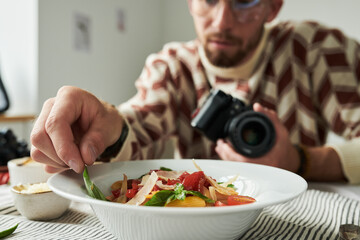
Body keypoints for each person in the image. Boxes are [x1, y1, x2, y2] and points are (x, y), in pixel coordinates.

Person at [30, 0, 360, 184]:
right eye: (210, 0)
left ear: (272, 8)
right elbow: (140, 120)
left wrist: (299, 160)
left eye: (244, 2)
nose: (221, 21)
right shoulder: (173, 67)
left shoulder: (317, 50)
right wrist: (105, 124)